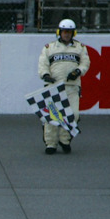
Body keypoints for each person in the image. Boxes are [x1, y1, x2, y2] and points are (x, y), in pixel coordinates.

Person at [37, 18, 91, 154]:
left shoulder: (80, 47)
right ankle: (50, 144)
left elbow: (85, 63)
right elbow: (43, 63)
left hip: (72, 87)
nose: (67, 34)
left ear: (74, 33)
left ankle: (64, 139)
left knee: (73, 114)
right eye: (65, 31)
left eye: (70, 32)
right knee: (52, 116)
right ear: (59, 32)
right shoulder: (49, 47)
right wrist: (45, 75)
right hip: (53, 85)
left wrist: (78, 71)